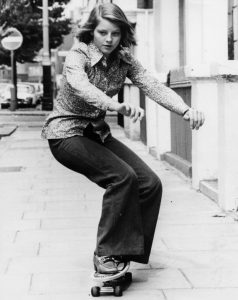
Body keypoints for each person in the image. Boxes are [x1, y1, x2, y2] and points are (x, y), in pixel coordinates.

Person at [41, 3, 205, 275]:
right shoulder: (77, 55)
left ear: (123, 34)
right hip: (65, 133)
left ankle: (126, 249)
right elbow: (81, 86)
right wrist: (113, 105)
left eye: (115, 33)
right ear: (91, 31)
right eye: (102, 32)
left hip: (96, 133)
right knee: (121, 177)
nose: (108, 39)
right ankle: (106, 254)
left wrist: (185, 110)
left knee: (149, 183)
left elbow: (152, 86)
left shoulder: (125, 60)